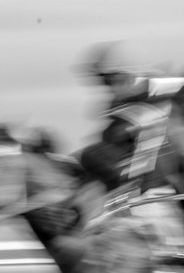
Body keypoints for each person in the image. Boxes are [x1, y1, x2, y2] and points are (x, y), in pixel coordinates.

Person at [78, 42, 184, 205]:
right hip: (158, 189)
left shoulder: (158, 100)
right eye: (105, 81)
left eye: (110, 80)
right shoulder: (124, 112)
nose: (107, 88)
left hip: (154, 192)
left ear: (129, 76)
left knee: (91, 154)